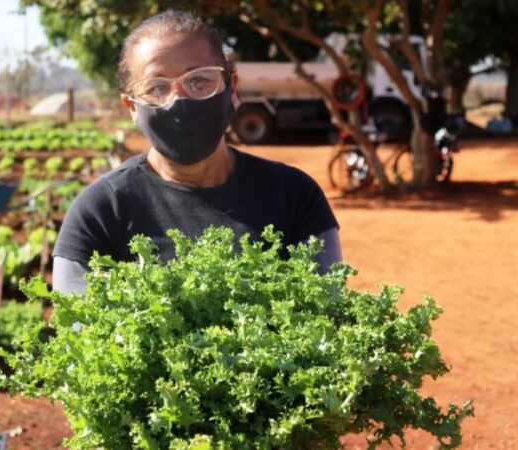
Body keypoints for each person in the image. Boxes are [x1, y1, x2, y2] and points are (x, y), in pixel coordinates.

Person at [52, 10, 342, 295]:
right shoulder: (100, 212)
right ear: (131, 108)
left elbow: (325, 312)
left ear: (233, 88)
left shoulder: (295, 196)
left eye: (199, 80)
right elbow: (80, 331)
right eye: (156, 87)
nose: (180, 99)